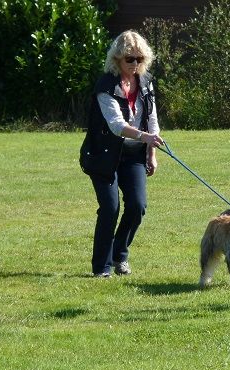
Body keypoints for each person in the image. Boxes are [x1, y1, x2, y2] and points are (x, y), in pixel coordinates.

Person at [80, 30, 164, 278]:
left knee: (138, 206)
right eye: (130, 59)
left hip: (134, 154)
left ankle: (120, 254)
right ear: (117, 59)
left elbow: (152, 119)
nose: (135, 64)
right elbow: (116, 126)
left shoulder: (146, 82)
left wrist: (151, 154)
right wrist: (144, 137)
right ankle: (102, 267)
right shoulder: (106, 85)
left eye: (139, 58)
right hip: (104, 154)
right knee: (110, 208)